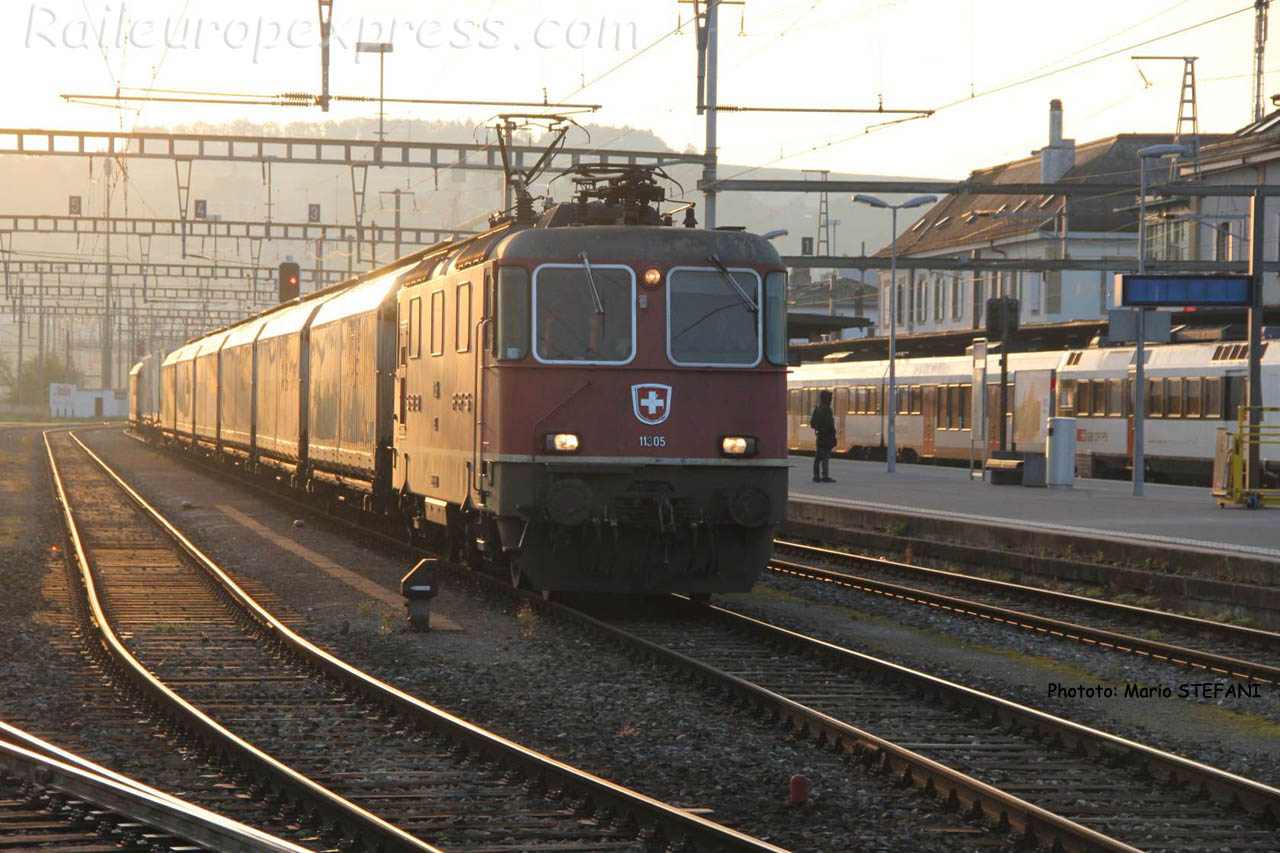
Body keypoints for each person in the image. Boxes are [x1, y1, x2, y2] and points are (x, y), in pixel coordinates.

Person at [809, 389, 837, 483]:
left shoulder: (817, 409)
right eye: (830, 398)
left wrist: (818, 428)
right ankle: (825, 476)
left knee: (818, 457)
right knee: (825, 457)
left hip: (819, 436)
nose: (831, 400)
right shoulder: (827, 410)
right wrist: (833, 433)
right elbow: (830, 424)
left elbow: (812, 423)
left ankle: (816, 476)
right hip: (827, 436)